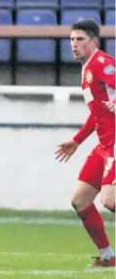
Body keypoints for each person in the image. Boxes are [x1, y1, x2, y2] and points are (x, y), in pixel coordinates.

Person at [55, 19, 115, 267]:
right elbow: (97, 112)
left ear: (94, 42)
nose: (74, 44)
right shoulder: (87, 68)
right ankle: (108, 257)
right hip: (103, 146)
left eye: (80, 39)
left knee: (110, 201)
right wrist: (76, 141)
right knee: (80, 200)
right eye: (71, 39)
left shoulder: (102, 64)